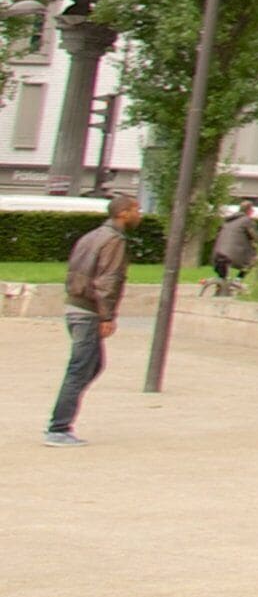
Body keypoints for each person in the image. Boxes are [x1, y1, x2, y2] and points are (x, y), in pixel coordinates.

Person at [47, 190, 143, 448]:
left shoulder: (92, 236)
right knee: (79, 369)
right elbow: (108, 280)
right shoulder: (114, 241)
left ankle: (64, 413)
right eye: (136, 210)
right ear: (123, 213)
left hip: (75, 306)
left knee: (93, 364)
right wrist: (107, 315)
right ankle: (59, 427)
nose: (139, 215)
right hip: (88, 310)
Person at [209, 200, 258, 297]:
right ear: (249, 211)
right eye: (252, 210)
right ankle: (238, 280)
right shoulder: (247, 221)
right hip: (233, 254)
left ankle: (220, 288)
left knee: (222, 273)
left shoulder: (228, 221)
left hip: (217, 252)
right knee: (254, 259)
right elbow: (256, 236)